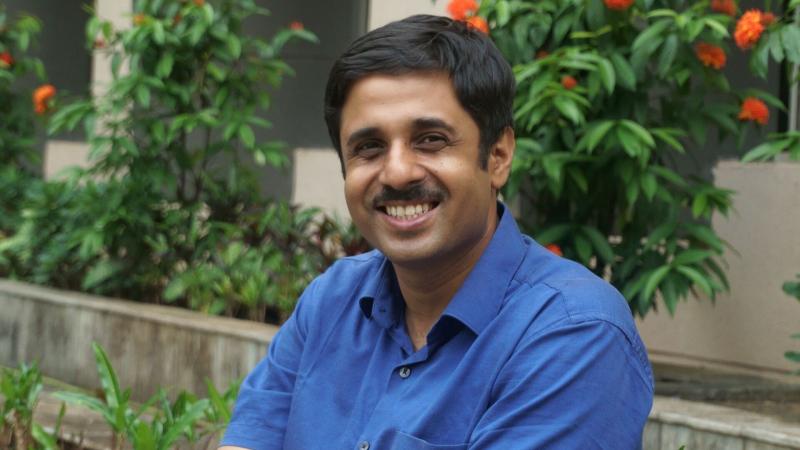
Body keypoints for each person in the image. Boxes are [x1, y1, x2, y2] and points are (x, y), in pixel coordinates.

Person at [219, 14, 653, 450]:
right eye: (369, 147)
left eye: (430, 139)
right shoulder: (331, 302)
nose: (398, 172)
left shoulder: (573, 333)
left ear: (498, 156)